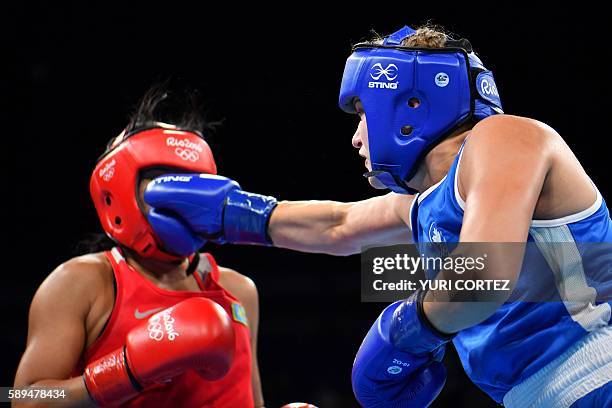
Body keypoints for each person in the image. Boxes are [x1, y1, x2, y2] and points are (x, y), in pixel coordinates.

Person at [141, 25, 612, 407]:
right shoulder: (432, 202)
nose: (356, 138)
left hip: (597, 374)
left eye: (362, 114)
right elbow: (337, 226)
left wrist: (408, 330)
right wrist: (230, 213)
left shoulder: (507, 138)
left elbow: (482, 276)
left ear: (410, 106)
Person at [13, 90, 265, 407]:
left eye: (192, 184)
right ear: (119, 190)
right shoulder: (81, 283)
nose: (181, 198)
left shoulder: (239, 290)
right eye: (164, 183)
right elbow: (20, 397)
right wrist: (125, 371)